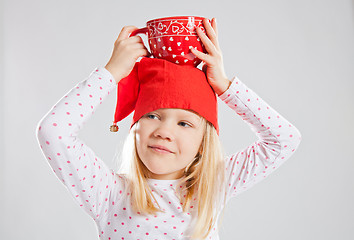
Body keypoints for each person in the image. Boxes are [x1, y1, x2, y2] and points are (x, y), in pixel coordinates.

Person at [36, 18, 302, 240]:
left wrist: (224, 85)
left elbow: (284, 139)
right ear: (135, 128)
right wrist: (111, 73)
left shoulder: (212, 187)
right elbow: (54, 132)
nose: (164, 131)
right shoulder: (109, 194)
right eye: (152, 115)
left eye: (184, 123)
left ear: (203, 141)